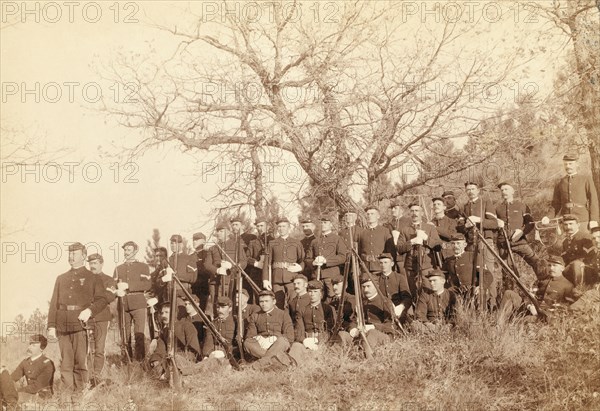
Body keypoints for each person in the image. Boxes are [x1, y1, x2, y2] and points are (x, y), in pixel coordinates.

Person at [47, 242, 107, 393]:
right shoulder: (61, 278)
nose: (71, 256)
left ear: (84, 256)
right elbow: (54, 303)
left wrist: (89, 311)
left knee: (80, 362)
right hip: (62, 325)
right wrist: (51, 325)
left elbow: (102, 300)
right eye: (70, 253)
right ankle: (66, 395)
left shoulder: (92, 277)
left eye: (75, 253)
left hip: (81, 325)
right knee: (66, 363)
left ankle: (79, 395)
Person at [459, 181, 500, 304]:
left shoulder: (485, 203)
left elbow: (494, 223)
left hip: (485, 241)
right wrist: (465, 225)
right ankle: (476, 303)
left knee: (488, 271)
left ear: (478, 190)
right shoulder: (464, 207)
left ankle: (492, 303)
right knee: (473, 272)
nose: (470, 191)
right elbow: (460, 227)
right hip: (471, 243)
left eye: (473, 189)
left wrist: (479, 220)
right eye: (468, 189)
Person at [494, 182, 542, 280]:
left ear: (512, 191)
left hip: (520, 242)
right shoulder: (497, 208)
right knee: (507, 271)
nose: (504, 192)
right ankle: (510, 292)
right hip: (504, 245)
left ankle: (543, 284)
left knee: (536, 262)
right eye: (502, 190)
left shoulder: (522, 206)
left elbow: (530, 223)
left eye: (506, 189)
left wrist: (521, 232)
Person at [499, 256, 574, 318]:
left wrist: (544, 313)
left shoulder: (568, 286)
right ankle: (499, 324)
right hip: (531, 308)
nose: (551, 268)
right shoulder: (542, 280)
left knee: (527, 320)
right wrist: (529, 305)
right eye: (549, 265)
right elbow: (530, 294)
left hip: (546, 316)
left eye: (555, 266)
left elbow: (566, 307)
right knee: (508, 294)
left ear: (562, 268)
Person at [113, 241, 151, 362]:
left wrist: (129, 285)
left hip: (138, 303)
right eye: (125, 250)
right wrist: (116, 291)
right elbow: (113, 286)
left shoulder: (143, 267)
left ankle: (140, 362)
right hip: (123, 304)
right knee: (125, 335)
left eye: (129, 250)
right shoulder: (118, 269)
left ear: (135, 251)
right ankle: (126, 362)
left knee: (139, 334)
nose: (126, 252)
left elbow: (148, 284)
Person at [396, 203, 443, 300]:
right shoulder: (404, 230)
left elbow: (438, 246)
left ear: (422, 213)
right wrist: (411, 242)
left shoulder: (430, 228)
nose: (414, 213)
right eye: (412, 211)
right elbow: (399, 249)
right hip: (410, 266)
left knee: (429, 292)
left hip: (427, 266)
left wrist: (426, 239)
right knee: (414, 294)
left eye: (417, 210)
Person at [547, 152, 599, 233]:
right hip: (566, 222)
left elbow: (593, 200)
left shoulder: (586, 179)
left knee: (585, 243)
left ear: (576, 164)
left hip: (582, 220)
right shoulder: (560, 182)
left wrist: (594, 219)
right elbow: (556, 204)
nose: (568, 166)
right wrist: (548, 217)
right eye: (566, 164)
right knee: (568, 244)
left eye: (570, 164)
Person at [148, 301, 202, 378]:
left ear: (174, 314)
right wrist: (155, 360)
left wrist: (178, 359)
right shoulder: (165, 331)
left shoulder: (187, 326)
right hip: (169, 360)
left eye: (167, 312)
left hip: (184, 361)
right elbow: (160, 350)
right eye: (162, 313)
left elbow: (193, 350)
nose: (163, 315)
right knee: (151, 364)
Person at [340, 277, 396, 349]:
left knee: (371, 333)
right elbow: (354, 320)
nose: (366, 290)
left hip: (382, 336)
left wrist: (373, 327)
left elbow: (391, 325)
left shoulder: (385, 301)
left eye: (368, 286)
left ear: (376, 286)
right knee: (342, 335)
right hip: (362, 335)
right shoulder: (361, 303)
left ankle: (367, 358)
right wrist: (353, 329)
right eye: (363, 287)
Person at [243, 290, 295, 366]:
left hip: (277, 343)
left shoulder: (283, 314)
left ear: (274, 301)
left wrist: (276, 337)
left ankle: (258, 364)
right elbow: (250, 336)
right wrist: (258, 338)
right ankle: (277, 360)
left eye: (267, 301)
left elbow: (290, 336)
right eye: (261, 301)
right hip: (261, 345)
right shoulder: (255, 316)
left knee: (282, 340)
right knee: (247, 343)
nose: (264, 304)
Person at [289, 280, 336, 363]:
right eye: (310, 292)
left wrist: (320, 341)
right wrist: (304, 340)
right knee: (296, 347)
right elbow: (299, 329)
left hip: (324, 341)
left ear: (321, 294)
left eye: (315, 291)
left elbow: (331, 329)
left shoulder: (328, 309)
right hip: (307, 341)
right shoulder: (301, 310)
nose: (312, 294)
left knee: (334, 350)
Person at [86, 253, 115, 384]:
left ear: (102, 264)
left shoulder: (108, 280)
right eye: (91, 263)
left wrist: (93, 302)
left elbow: (110, 297)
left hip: (102, 317)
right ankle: (88, 376)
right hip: (87, 317)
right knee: (87, 348)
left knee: (99, 348)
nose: (93, 266)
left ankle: (97, 375)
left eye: (95, 263)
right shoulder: (84, 280)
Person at [264, 217, 304, 309]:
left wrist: (300, 267)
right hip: (276, 279)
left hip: (292, 278)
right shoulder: (272, 243)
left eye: (284, 226)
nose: (281, 229)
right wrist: (265, 279)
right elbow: (267, 262)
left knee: (294, 303)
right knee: (277, 304)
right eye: (279, 226)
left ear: (289, 227)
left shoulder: (296, 243)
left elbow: (302, 260)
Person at [305, 215, 347, 301]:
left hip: (331, 277)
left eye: (325, 223)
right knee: (317, 301)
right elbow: (307, 258)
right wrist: (313, 262)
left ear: (331, 224)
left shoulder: (337, 239)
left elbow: (342, 257)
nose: (323, 225)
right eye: (321, 223)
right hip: (317, 277)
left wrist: (326, 261)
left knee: (332, 299)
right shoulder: (315, 241)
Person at [205, 225, 247, 300]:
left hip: (231, 280)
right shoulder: (212, 248)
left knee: (230, 304)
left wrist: (232, 266)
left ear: (228, 233)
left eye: (221, 231)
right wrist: (217, 270)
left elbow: (243, 262)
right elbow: (207, 264)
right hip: (215, 281)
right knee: (215, 304)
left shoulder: (237, 246)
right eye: (218, 231)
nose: (219, 233)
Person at [9, 334, 55, 402]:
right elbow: (13, 377)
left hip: (42, 396)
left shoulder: (47, 364)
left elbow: (38, 386)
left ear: (41, 349)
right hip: (28, 393)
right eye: (30, 344)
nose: (29, 347)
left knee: (12, 398)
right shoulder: (25, 362)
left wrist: (17, 390)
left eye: (33, 345)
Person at [372, 253, 411, 321]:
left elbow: (407, 298)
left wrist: (401, 307)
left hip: (397, 312)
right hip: (381, 311)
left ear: (392, 264)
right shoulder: (376, 278)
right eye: (381, 263)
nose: (383, 265)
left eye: (386, 262)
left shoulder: (400, 278)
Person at [560, 215, 595, 286]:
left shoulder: (585, 237)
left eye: (571, 224)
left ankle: (579, 288)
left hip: (586, 269)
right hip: (571, 269)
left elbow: (589, 257)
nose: (568, 227)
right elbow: (565, 259)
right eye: (565, 224)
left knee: (576, 264)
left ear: (578, 225)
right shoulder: (565, 241)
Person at [246, 217, 274, 303]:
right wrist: (256, 263)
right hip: (257, 274)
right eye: (258, 226)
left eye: (262, 225)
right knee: (257, 297)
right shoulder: (253, 242)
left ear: (267, 226)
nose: (260, 228)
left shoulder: (274, 241)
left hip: (271, 273)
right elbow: (246, 257)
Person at [357, 205, 391, 273]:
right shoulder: (362, 233)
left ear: (378, 216)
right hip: (365, 269)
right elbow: (359, 252)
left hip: (380, 268)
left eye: (372, 214)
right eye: (368, 214)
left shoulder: (385, 231)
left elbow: (390, 251)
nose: (369, 216)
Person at [168, 234, 199, 300]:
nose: (173, 245)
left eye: (176, 243)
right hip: (169, 292)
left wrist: (175, 275)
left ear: (181, 244)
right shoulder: (168, 260)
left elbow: (193, 277)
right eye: (171, 243)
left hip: (183, 291)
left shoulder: (189, 258)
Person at [429, 197, 458, 261]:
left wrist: (435, 228)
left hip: (449, 255)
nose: (436, 206)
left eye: (439, 204)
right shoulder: (430, 223)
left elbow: (451, 235)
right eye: (434, 204)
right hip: (434, 256)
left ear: (444, 207)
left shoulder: (452, 221)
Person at [191, 232, 211, 316]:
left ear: (203, 241)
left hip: (204, 288)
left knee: (202, 312)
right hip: (193, 288)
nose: (194, 242)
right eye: (193, 240)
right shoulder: (190, 256)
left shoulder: (207, 254)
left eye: (197, 240)